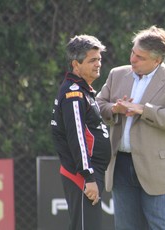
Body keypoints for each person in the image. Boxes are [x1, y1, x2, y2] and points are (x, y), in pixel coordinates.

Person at [96, 26, 165, 230]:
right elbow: (97, 105)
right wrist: (115, 108)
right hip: (121, 165)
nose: (132, 59)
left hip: (160, 169)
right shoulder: (117, 74)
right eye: (133, 52)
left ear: (157, 61)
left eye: (140, 57)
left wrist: (142, 110)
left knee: (164, 226)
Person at [51, 34, 111, 230]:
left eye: (99, 59)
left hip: (90, 173)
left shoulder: (83, 90)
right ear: (76, 64)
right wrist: (88, 177)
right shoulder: (74, 92)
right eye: (92, 60)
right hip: (83, 175)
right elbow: (76, 136)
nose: (98, 64)